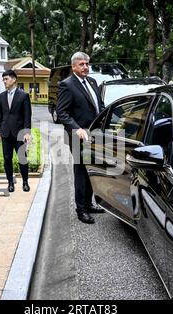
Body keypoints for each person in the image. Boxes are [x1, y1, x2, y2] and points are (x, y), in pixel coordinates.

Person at [56, 52, 105, 224]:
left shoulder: (92, 82)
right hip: (78, 136)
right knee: (81, 172)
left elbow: (100, 106)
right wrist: (76, 129)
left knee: (92, 169)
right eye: (82, 64)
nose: (85, 67)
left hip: (95, 134)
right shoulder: (67, 85)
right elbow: (61, 112)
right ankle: (81, 209)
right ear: (73, 67)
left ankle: (89, 203)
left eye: (87, 64)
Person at [0, 70, 32, 192]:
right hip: (5, 133)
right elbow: (0, 116)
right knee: (7, 159)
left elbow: (27, 115)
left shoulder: (24, 96)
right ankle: (10, 183)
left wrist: (27, 132)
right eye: (3, 79)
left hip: (19, 133)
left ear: (14, 79)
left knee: (22, 158)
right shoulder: (1, 96)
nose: (4, 81)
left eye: (6, 79)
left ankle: (25, 182)